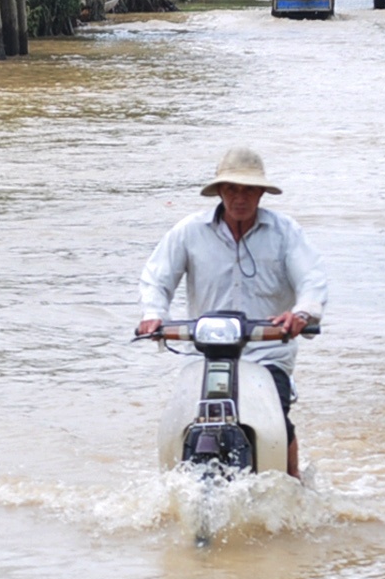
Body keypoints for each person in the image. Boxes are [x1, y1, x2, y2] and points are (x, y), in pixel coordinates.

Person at [137, 148, 328, 478]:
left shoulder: (286, 232)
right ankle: (172, 488)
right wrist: (154, 315)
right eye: (232, 189)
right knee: (180, 420)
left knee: (276, 425)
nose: (240, 198)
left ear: (261, 193)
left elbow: (311, 279)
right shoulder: (189, 231)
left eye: (249, 190)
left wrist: (301, 314)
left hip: (267, 352)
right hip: (203, 353)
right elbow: (157, 278)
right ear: (220, 192)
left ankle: (293, 485)